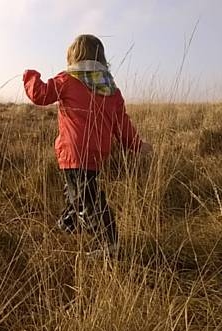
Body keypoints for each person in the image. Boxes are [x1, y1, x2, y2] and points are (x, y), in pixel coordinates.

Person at [23, 34, 152, 252]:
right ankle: (68, 226)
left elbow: (40, 95)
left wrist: (30, 75)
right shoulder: (110, 88)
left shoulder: (66, 79)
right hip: (96, 153)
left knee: (88, 199)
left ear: (74, 56)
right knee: (77, 192)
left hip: (74, 152)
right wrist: (137, 145)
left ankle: (110, 243)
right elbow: (122, 125)